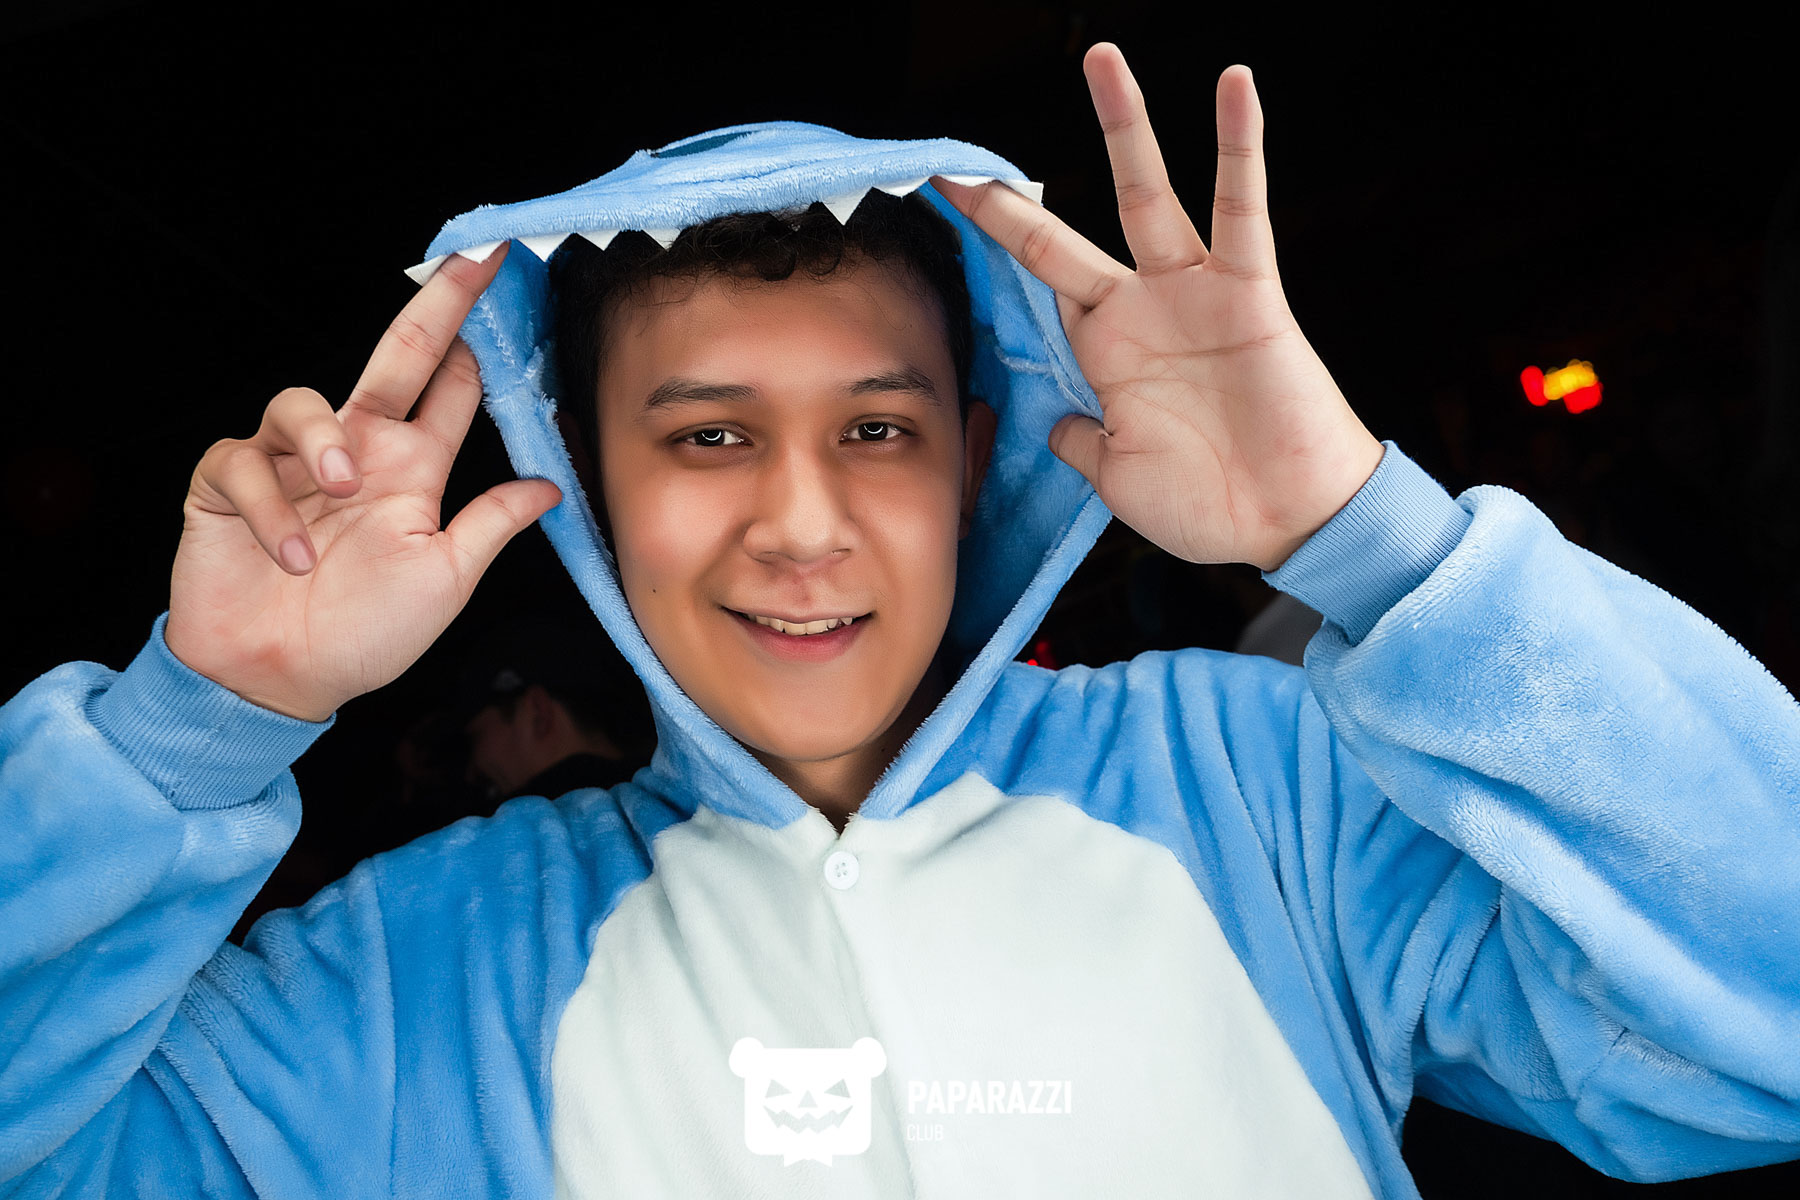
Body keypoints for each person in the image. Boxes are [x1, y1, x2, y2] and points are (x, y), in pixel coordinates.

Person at [2, 43, 1796, 1197]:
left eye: (877, 430)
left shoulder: (1259, 781)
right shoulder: (411, 974)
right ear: (588, 493)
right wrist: (196, 719)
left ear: (976, 458)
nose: (803, 525)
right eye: (708, 438)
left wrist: (1375, 542)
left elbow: (1765, 1037)